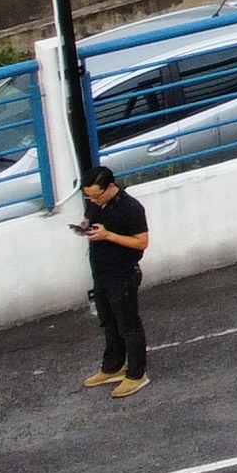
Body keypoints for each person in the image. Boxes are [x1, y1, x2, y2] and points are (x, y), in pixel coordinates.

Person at [78, 165, 151, 395]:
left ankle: (137, 374)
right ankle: (113, 366)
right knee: (109, 323)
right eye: (88, 197)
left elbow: (141, 242)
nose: (92, 201)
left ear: (110, 187)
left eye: (96, 196)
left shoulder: (131, 208)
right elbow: (90, 217)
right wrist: (85, 227)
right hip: (101, 274)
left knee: (129, 326)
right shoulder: (94, 203)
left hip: (122, 275)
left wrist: (108, 235)